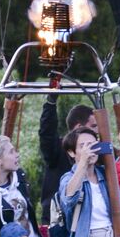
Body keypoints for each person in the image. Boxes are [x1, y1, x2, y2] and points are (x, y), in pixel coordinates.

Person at [52, 127, 120, 237]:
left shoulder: (106, 174)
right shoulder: (67, 178)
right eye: (83, 146)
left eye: (93, 145)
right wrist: (83, 163)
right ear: (71, 152)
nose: (89, 150)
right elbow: (69, 199)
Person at [39, 91, 97, 221]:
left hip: (88, 218)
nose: (97, 131)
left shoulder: (98, 153)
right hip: (59, 218)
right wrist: (50, 103)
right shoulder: (58, 149)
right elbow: (47, 133)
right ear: (79, 127)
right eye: (93, 126)